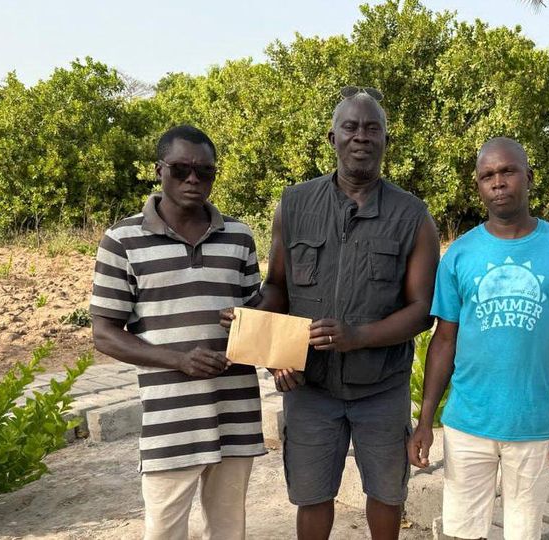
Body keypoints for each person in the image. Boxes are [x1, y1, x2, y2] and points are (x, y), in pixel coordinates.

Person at [222, 87, 439, 540]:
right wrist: (265, 343)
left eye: (372, 128)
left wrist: (356, 336)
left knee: (386, 494)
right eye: (351, 126)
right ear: (332, 136)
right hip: (311, 388)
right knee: (312, 495)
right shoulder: (294, 204)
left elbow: (422, 311)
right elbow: (277, 287)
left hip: (381, 387)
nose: (361, 136)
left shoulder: (412, 215)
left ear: (385, 140)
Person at [407, 137, 549, 540]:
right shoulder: (460, 254)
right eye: (487, 176)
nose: (498, 182)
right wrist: (425, 419)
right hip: (466, 424)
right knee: (461, 532)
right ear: (478, 186)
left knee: (523, 533)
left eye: (508, 172)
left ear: (528, 178)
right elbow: (444, 339)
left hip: (531, 425)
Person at [90, 125, 264, 540]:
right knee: (164, 532)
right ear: (159, 170)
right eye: (181, 169)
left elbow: (257, 313)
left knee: (228, 531)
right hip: (171, 418)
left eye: (205, 171)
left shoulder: (238, 236)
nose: (193, 179)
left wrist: (263, 338)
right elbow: (105, 333)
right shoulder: (122, 241)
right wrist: (178, 360)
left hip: (235, 413)